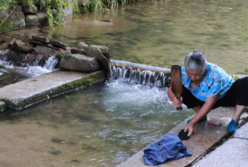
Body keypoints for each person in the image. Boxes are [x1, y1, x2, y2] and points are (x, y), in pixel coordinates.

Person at [168, 51, 248, 136]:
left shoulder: (215, 74)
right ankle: (201, 116)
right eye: (190, 74)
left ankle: (235, 119)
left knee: (246, 82)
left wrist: (193, 122)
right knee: (181, 89)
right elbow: (171, 90)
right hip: (201, 97)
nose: (193, 77)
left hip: (225, 97)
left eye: (197, 74)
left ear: (204, 69)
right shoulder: (183, 72)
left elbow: (210, 103)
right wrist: (174, 99)